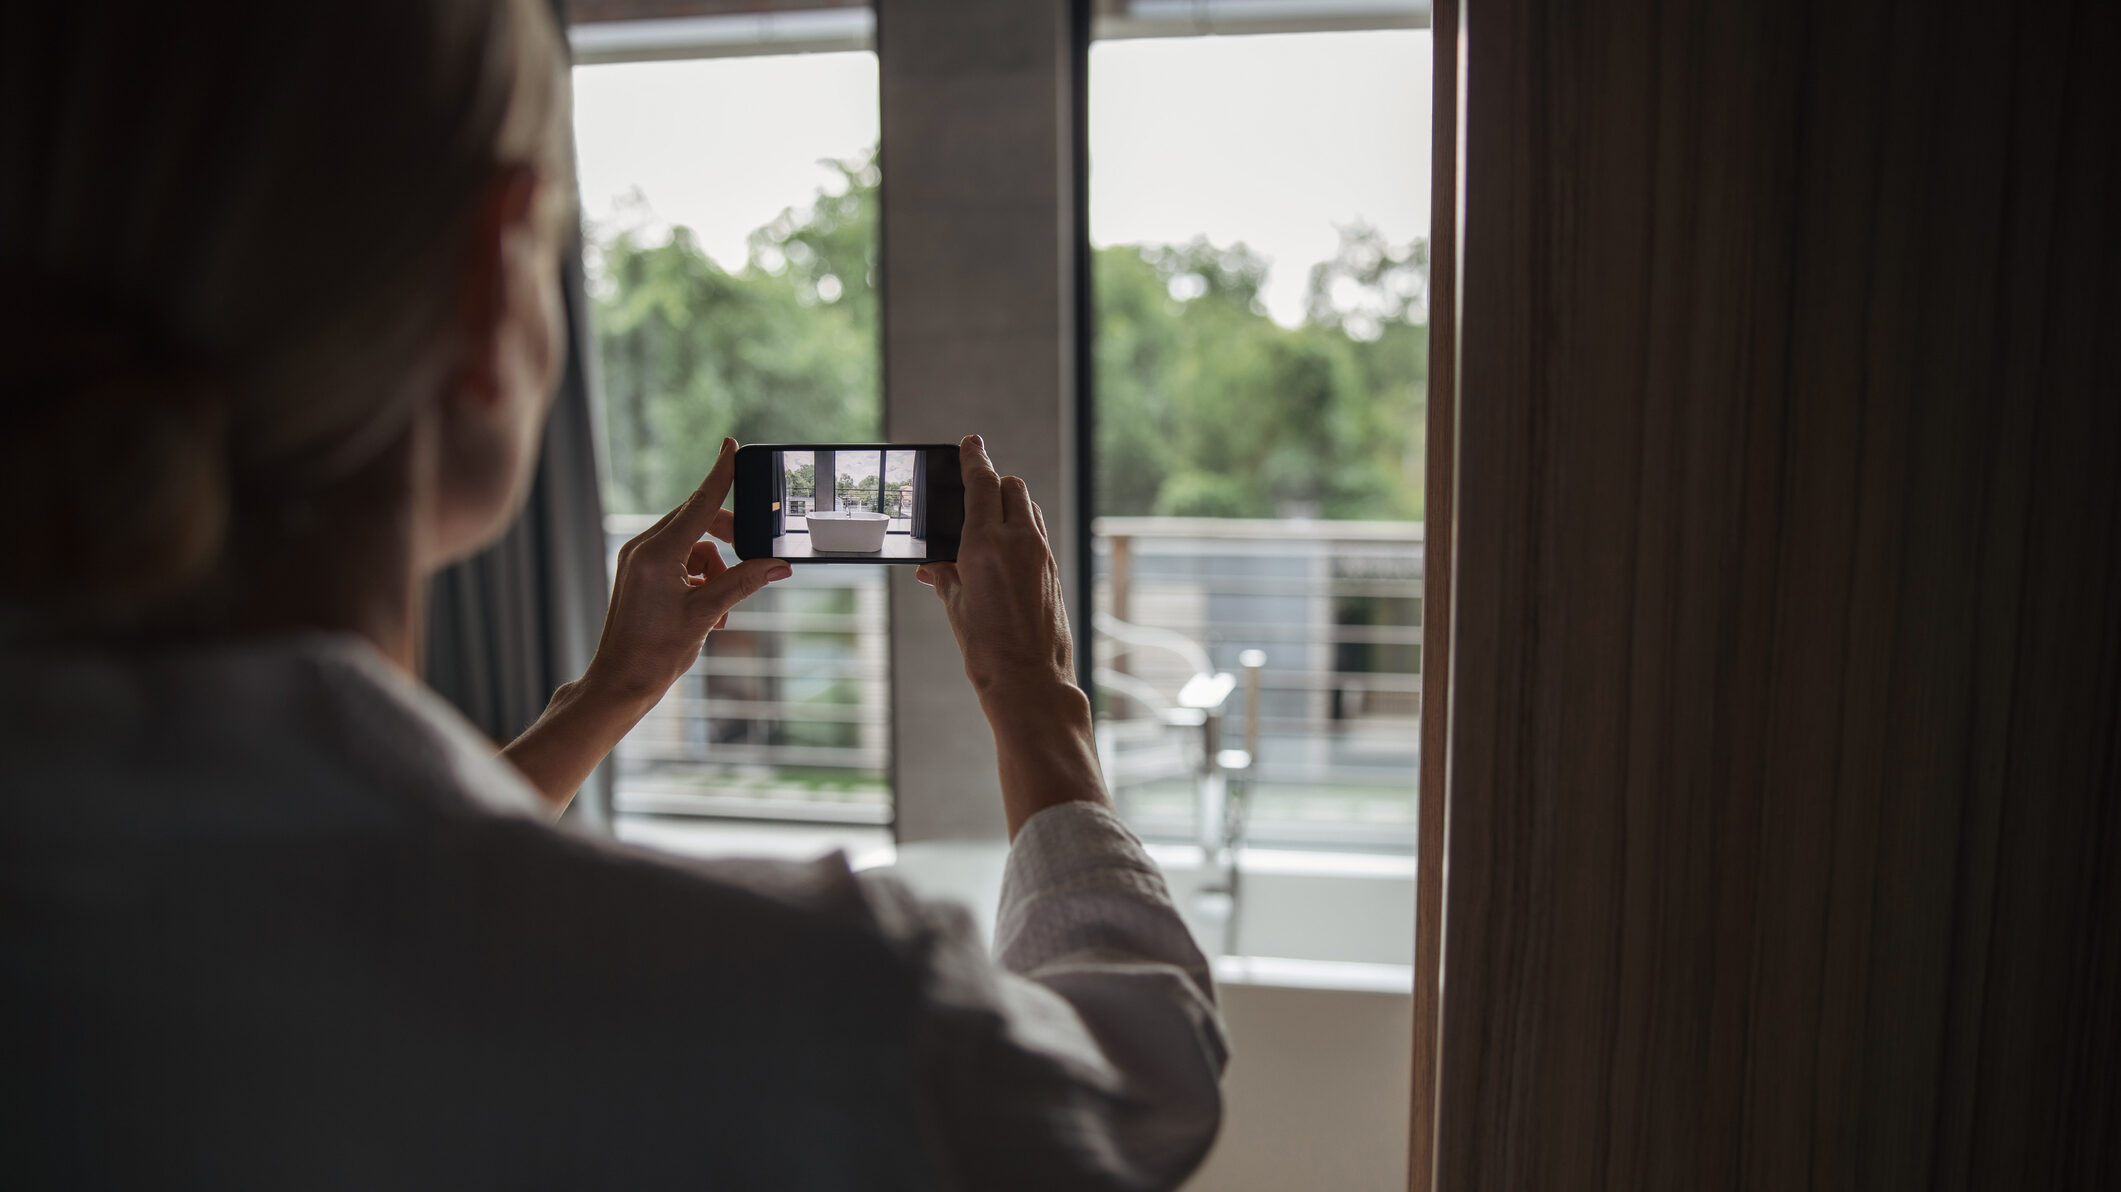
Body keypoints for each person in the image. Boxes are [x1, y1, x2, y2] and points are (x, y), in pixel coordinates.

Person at [0, 1, 1226, 1187]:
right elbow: (1143, 1084)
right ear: (490, 286)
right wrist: (1036, 699)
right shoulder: (820, 1005)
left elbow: (346, 877)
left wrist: (607, 692)